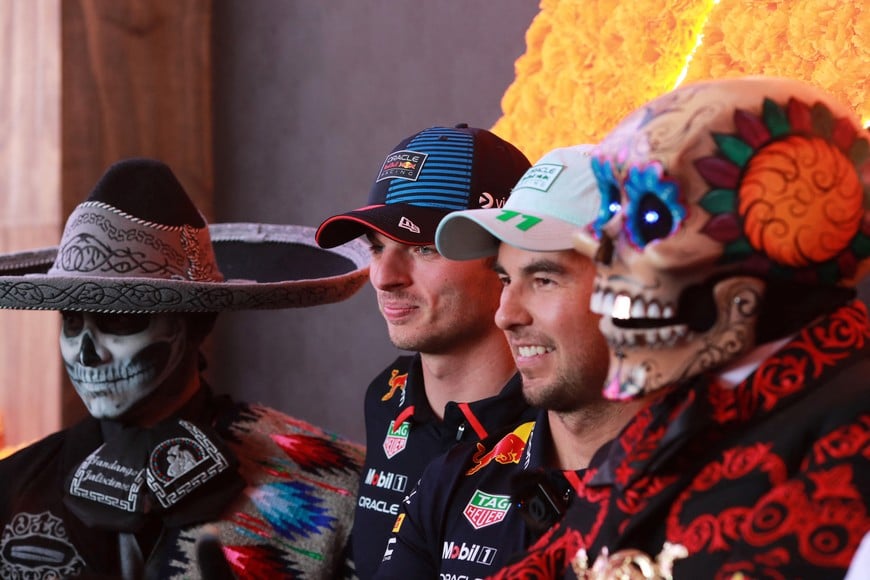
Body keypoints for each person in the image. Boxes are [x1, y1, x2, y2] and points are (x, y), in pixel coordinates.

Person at [489, 77, 870, 578]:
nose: (599, 249)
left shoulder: (852, 434)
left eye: (648, 214)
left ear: (777, 233)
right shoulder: (676, 414)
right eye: (608, 209)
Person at [0, 158, 370, 579]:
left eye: (119, 319)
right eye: (71, 321)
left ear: (196, 323)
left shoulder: (334, 486)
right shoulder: (13, 487)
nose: (86, 355)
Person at [372, 145, 650, 578]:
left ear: (641, 294)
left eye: (543, 279)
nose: (506, 314)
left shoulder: (728, 488)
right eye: (505, 278)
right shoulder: (454, 478)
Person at [315, 123, 535, 579]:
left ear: (508, 258)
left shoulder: (565, 428)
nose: (383, 276)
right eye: (377, 247)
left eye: (421, 247)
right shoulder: (386, 396)